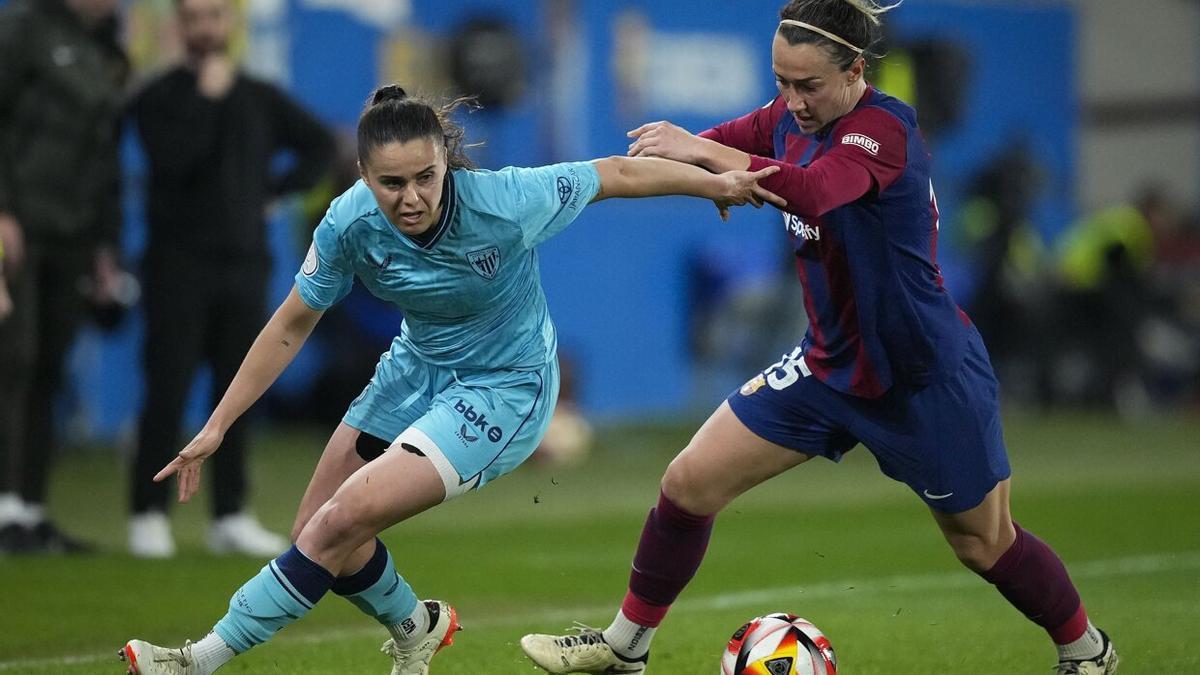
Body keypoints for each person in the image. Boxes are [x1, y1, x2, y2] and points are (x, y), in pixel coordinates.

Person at [519, 2, 1118, 674]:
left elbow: (811, 190)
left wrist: (705, 152)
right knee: (688, 482)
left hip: (921, 379)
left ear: (856, 70)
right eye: (781, 82)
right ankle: (624, 649)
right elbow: (723, 152)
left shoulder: (883, 129)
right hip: (828, 368)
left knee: (985, 543)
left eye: (809, 85)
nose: (792, 102)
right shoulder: (786, 120)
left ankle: (1086, 649)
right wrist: (699, 172)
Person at [117, 84, 783, 675]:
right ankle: (417, 626)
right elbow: (291, 324)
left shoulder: (504, 201)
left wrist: (717, 184)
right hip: (414, 369)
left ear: (445, 163)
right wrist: (217, 423)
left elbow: (612, 173)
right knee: (316, 534)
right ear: (363, 175)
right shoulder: (349, 221)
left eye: (424, 178)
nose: (410, 198)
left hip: (506, 386)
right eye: (390, 183)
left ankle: (196, 659)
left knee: (337, 521)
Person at [126, 0, 336, 558]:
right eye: (194, 18)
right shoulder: (158, 99)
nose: (205, 29)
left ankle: (230, 514)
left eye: (215, 17)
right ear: (179, 26)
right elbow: (175, 161)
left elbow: (322, 146)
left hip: (244, 264)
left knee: (237, 391)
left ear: (230, 24)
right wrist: (208, 99)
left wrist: (274, 192)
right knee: (167, 389)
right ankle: (148, 514)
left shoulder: (258, 97)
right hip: (177, 266)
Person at [0, 0, 129, 555]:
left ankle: (29, 510)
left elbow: (104, 158)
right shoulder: (23, 29)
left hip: (73, 234)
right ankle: (4, 506)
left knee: (51, 363)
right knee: (13, 359)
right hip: (18, 225)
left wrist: (106, 244)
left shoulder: (107, 50)